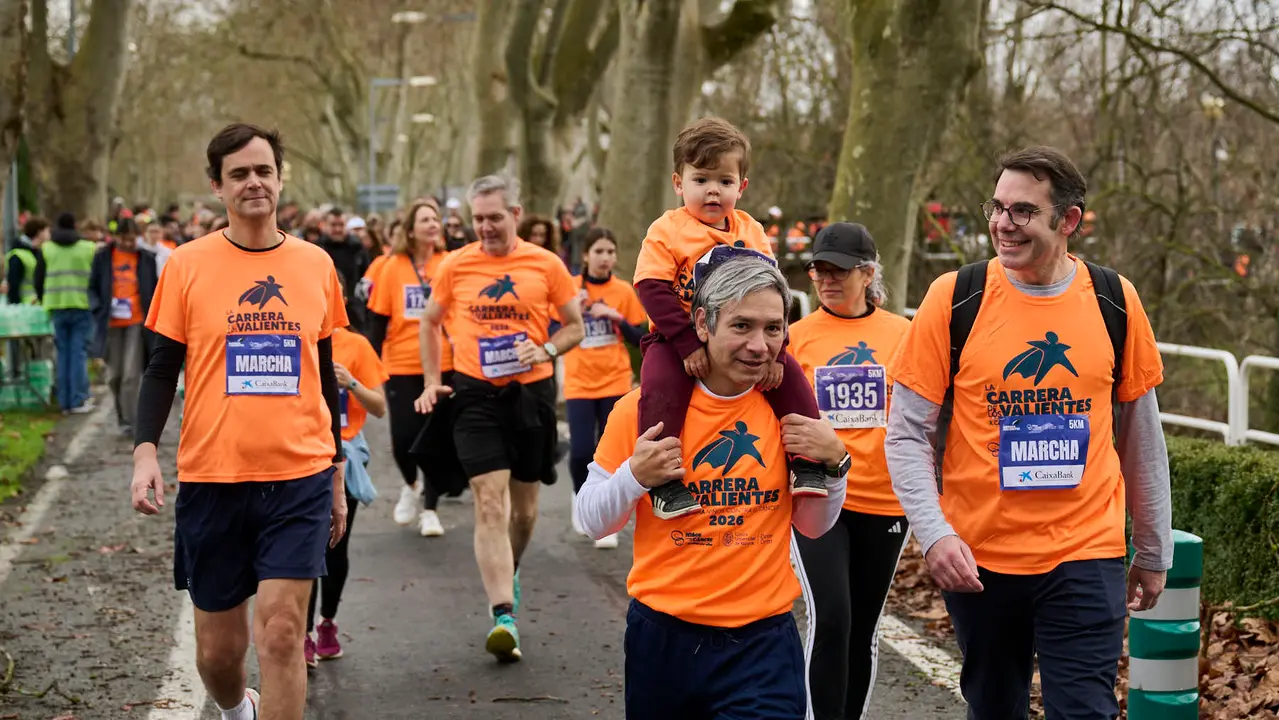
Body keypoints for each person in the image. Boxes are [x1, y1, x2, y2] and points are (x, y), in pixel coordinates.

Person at [885, 146, 1173, 720]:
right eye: (996, 207)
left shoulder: (1115, 299)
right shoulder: (955, 298)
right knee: (995, 706)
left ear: (1068, 221)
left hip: (1085, 550)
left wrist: (1153, 545)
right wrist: (935, 533)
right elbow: (905, 434)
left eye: (1022, 212)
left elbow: (1140, 434)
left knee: (1085, 710)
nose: (1001, 224)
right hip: (981, 557)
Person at [129, 123, 349, 720]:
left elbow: (323, 373)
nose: (254, 182)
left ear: (280, 179)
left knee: (280, 632)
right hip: (213, 477)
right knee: (217, 656)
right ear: (217, 187)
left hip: (298, 473)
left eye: (264, 171)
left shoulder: (315, 264)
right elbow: (160, 368)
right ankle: (236, 708)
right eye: (239, 174)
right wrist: (145, 451)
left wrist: (335, 469)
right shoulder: (186, 265)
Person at [575, 256, 850, 719]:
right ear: (702, 323)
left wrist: (835, 465)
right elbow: (590, 520)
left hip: (762, 643)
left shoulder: (791, 417)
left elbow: (814, 525)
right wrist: (633, 478)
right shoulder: (640, 412)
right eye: (742, 325)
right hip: (664, 641)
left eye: (773, 329)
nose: (759, 345)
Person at [412, 173, 584, 663]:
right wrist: (431, 381)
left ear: (515, 213)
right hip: (474, 396)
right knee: (488, 503)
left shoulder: (545, 264)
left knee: (525, 512)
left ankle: (509, 570)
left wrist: (545, 348)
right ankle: (503, 615)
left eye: (493, 217)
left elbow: (573, 326)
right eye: (477, 218)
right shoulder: (455, 265)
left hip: (530, 395)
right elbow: (428, 321)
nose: (484, 227)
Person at [632, 116, 824, 520]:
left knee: (792, 377)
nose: (713, 190)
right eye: (701, 180)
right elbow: (651, 288)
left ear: (742, 186)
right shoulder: (667, 230)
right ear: (678, 183)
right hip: (675, 335)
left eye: (724, 180)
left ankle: (807, 459)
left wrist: (777, 349)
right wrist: (686, 342)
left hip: (742, 334)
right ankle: (664, 481)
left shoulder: (750, 230)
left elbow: (774, 293)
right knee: (660, 386)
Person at [786, 223, 912, 720]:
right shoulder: (795, 338)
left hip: (883, 498)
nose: (825, 278)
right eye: (818, 268)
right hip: (818, 496)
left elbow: (921, 417)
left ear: (867, 272)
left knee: (862, 627)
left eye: (837, 269)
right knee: (832, 616)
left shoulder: (903, 335)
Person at [305, 275, 389, 669]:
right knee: (302, 547)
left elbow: (379, 407)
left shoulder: (356, 345)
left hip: (347, 454)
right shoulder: (294, 338)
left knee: (334, 544)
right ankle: (301, 633)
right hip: (301, 453)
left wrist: (350, 382)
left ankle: (327, 624)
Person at [367, 201, 453, 536]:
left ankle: (430, 508)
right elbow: (377, 322)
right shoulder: (393, 267)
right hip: (401, 364)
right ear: (411, 229)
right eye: (425, 219)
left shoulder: (449, 263)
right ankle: (411, 484)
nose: (433, 224)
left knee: (435, 438)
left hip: (444, 362)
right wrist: (369, 366)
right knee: (403, 437)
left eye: (436, 218)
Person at [562, 227, 648, 549]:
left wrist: (616, 317)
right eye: (598, 251)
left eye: (610, 252)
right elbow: (551, 329)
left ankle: (608, 519)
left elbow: (641, 338)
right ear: (585, 255)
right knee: (582, 449)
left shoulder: (623, 291)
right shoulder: (571, 289)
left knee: (611, 451)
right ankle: (580, 498)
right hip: (580, 382)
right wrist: (575, 311)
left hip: (614, 380)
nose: (605, 258)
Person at [88, 217, 159, 435]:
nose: (129, 244)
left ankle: (131, 422)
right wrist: (99, 307)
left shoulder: (146, 258)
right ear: (116, 237)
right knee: (114, 376)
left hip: (137, 322)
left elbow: (155, 288)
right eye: (125, 239)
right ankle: (123, 417)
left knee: (131, 374)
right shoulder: (102, 257)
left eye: (133, 239)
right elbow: (91, 288)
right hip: (110, 322)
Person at [42, 212, 98, 414]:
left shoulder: (47, 248)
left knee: (63, 354)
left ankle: (64, 401)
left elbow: (40, 277)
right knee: (78, 353)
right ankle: (78, 399)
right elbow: (96, 279)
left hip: (56, 306)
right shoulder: (88, 248)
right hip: (81, 305)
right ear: (75, 226)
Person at [318, 207, 372, 335]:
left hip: (354, 309)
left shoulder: (357, 248)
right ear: (325, 225)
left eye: (341, 225)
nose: (337, 229)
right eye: (333, 225)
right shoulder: (317, 248)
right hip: (325, 307)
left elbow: (367, 276)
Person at [5, 217, 49, 304]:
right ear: (40, 232)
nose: (49, 235)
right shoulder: (18, 255)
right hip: (24, 309)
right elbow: (13, 285)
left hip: (35, 306)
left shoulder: (39, 252)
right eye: (47, 231)